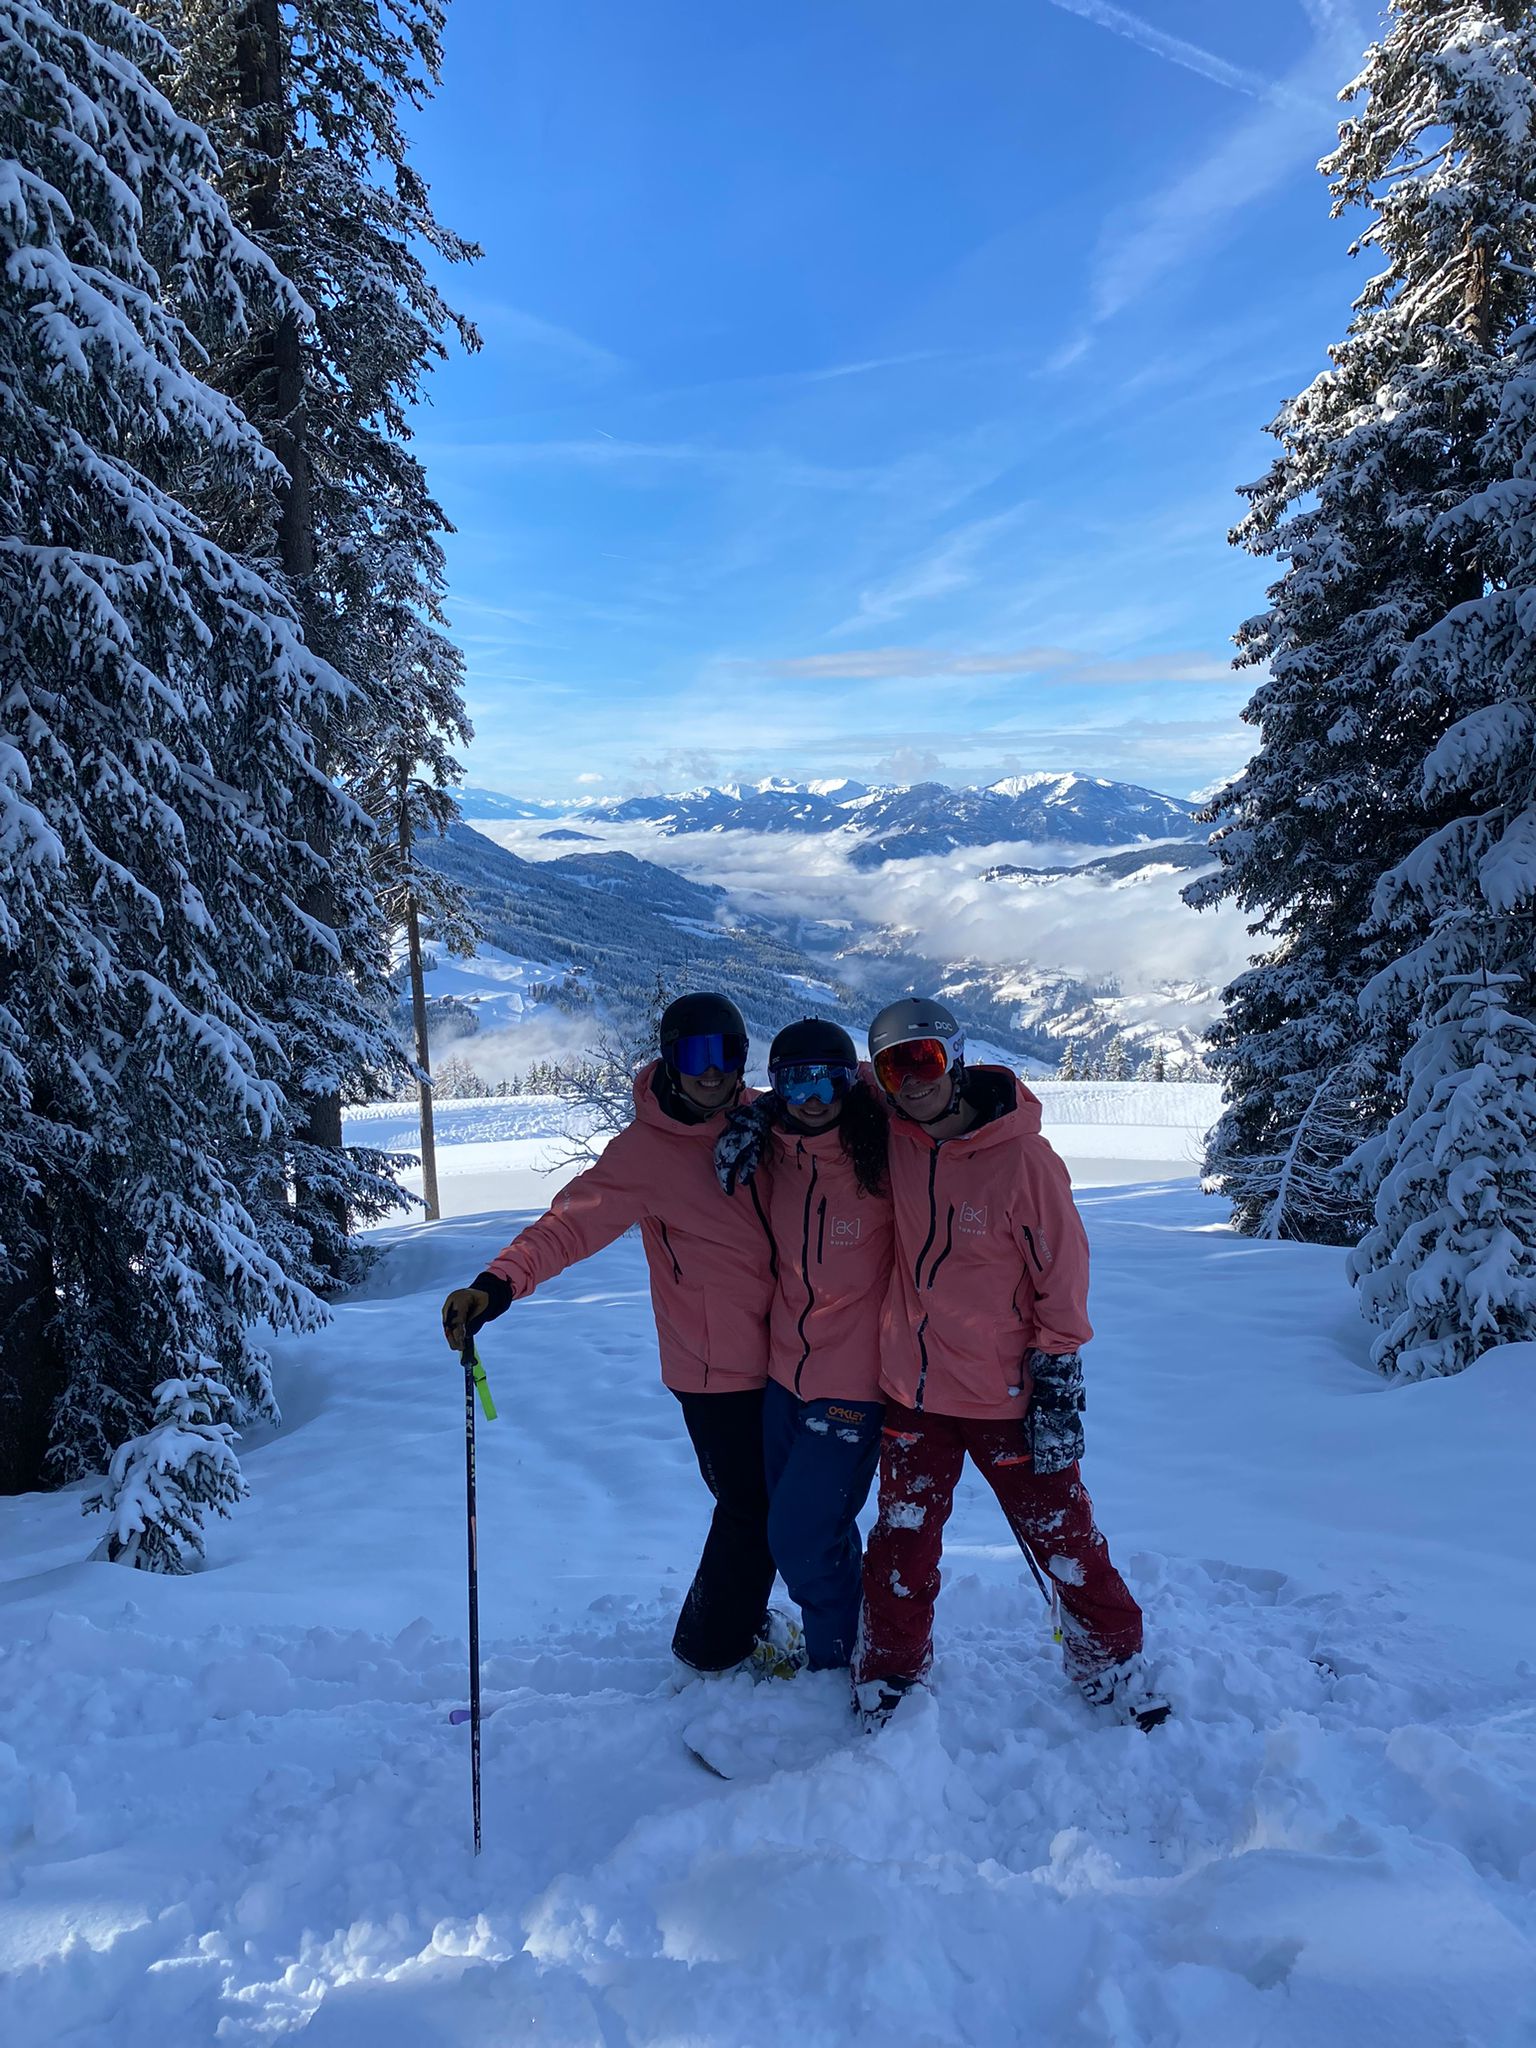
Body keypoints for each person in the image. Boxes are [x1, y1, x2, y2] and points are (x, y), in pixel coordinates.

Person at [441, 992, 788, 1680]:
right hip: (712, 1368)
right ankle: (711, 1645)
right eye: (695, 1056)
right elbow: (571, 1224)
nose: (711, 1072)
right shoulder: (644, 1153)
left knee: (775, 1503)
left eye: (726, 1056)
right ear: (669, 1059)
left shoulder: (763, 1123)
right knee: (753, 1506)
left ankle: (733, 1623)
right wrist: (498, 1283)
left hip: (788, 1356)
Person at [851, 997, 1169, 1731]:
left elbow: (1063, 1275)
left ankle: (1110, 1660)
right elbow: (819, 1087)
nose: (912, 1079)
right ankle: (892, 1673)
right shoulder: (893, 1135)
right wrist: (746, 1116)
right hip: (914, 1393)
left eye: (925, 1059)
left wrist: (1057, 1377)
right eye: (895, 1065)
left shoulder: (1023, 1161)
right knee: (901, 1539)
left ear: (956, 1060)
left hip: (1008, 1397)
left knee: (1064, 1536)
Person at [715, 1018, 893, 1671]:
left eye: (828, 1078)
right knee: (800, 1530)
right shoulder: (776, 1153)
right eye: (794, 1080)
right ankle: (858, 1636)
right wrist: (756, 1118)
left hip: (853, 1385)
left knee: (802, 1540)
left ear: (850, 1081)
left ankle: (836, 1665)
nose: (812, 1096)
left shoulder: (886, 1153)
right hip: (783, 1377)